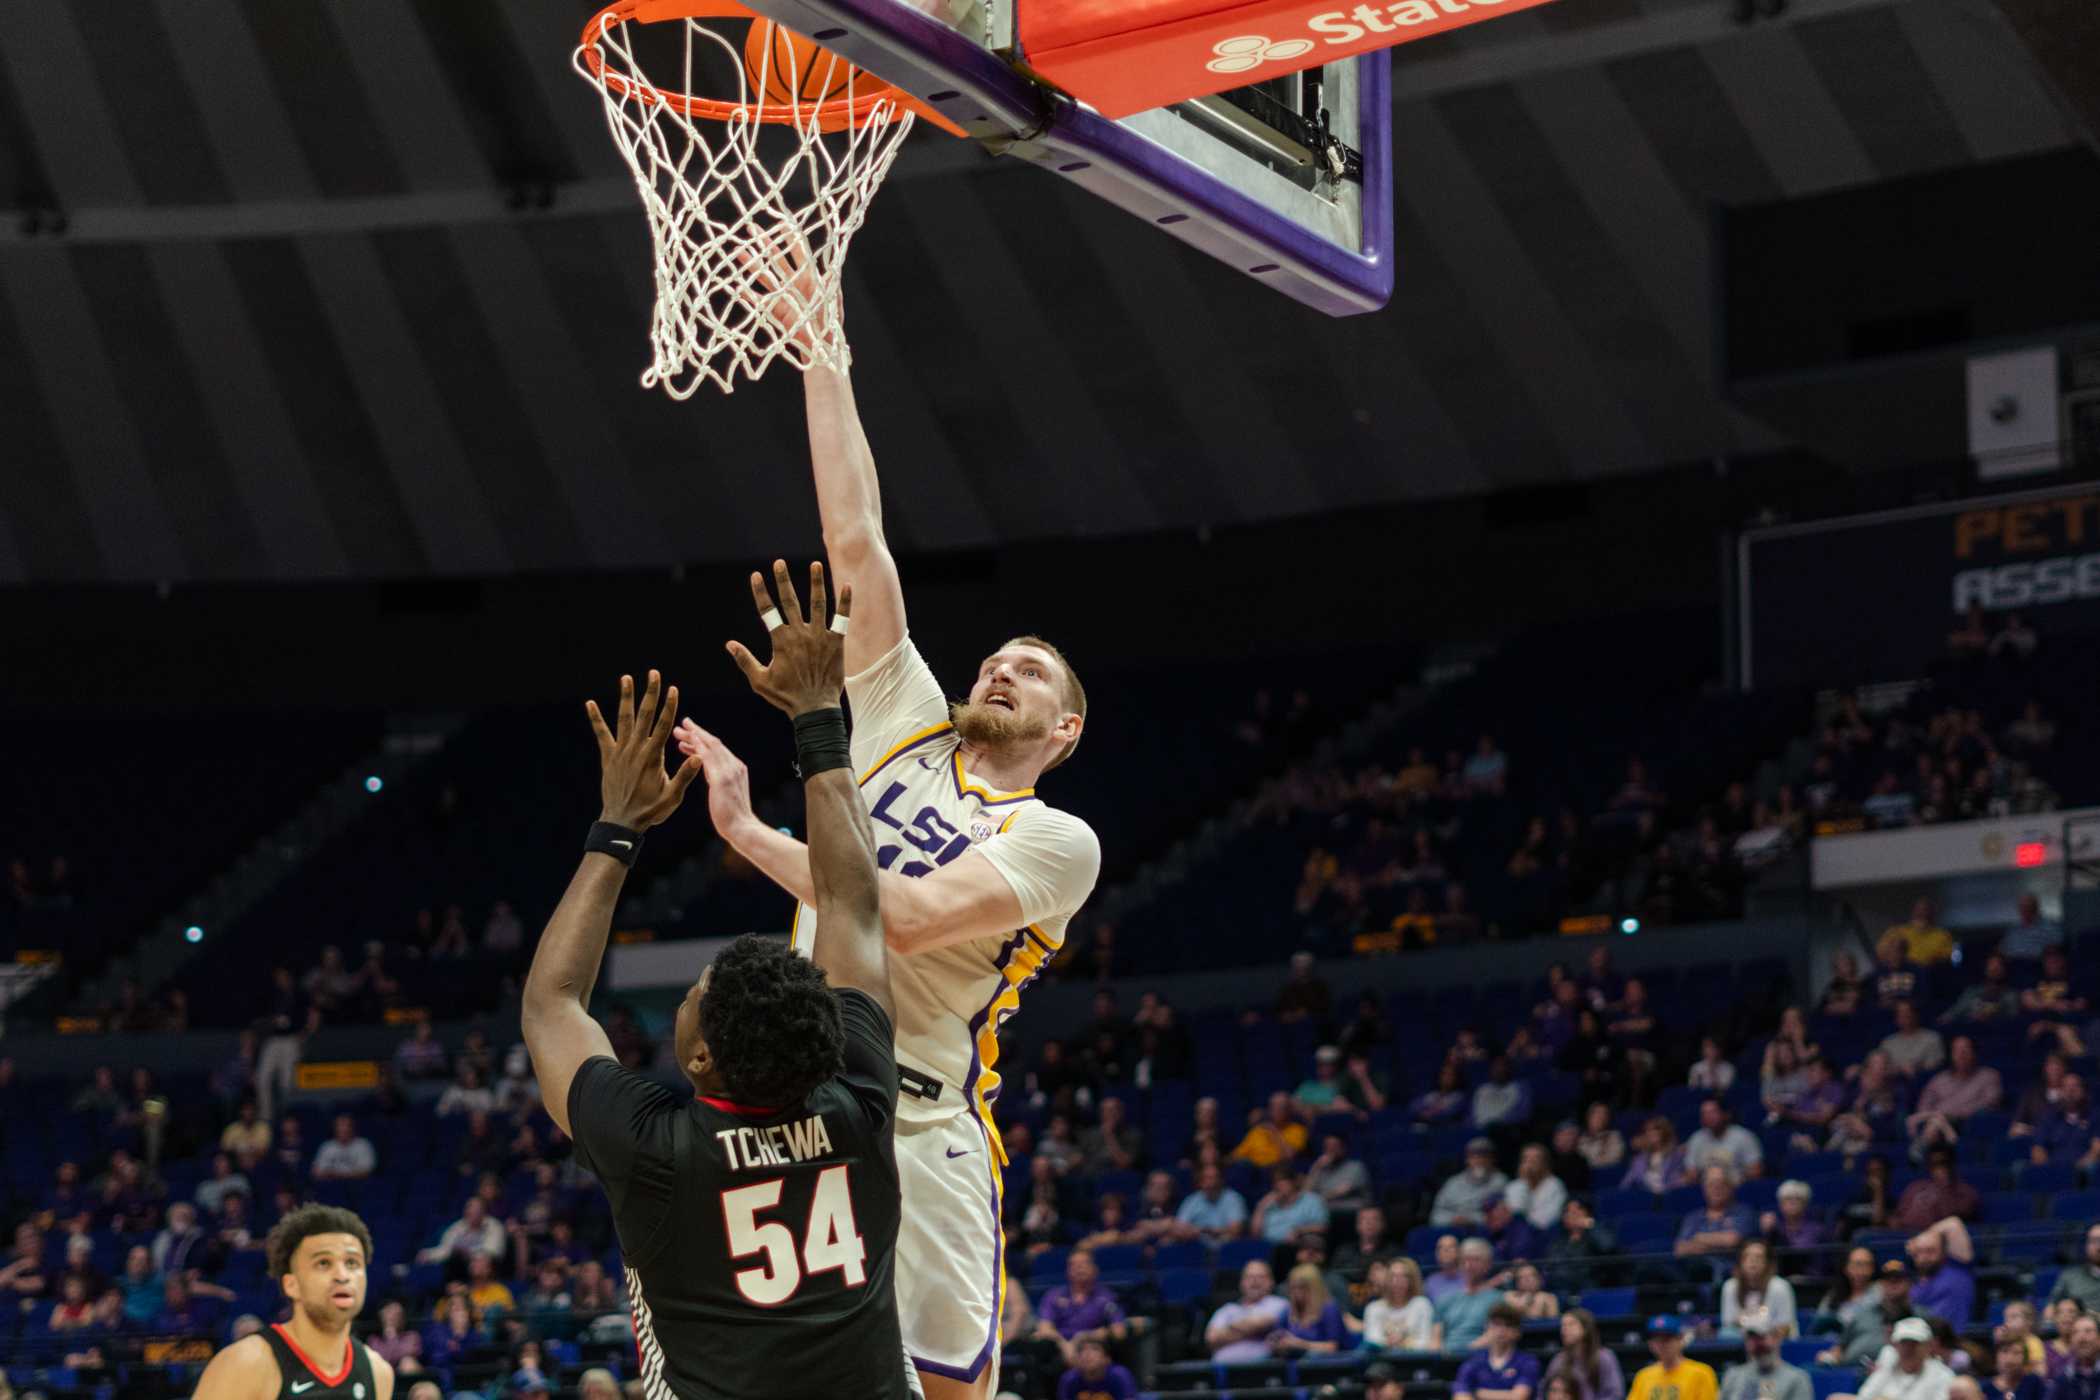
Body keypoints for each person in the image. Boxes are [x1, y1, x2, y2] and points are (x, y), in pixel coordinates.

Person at [682, 311, 1102, 1400]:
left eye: (1035, 671)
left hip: (920, 1117)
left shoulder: (1057, 840)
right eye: (998, 657)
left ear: (1067, 731)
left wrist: (747, 832)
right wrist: (824, 345)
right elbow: (856, 536)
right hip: (800, 1099)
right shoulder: (903, 712)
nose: (1005, 670)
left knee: (949, 1392)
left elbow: (901, 917)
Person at [528, 568, 913, 1399]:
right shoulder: (859, 1098)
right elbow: (851, 898)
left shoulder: (652, 1144)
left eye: (691, 999)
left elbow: (552, 1003)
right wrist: (817, 717)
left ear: (701, 1061)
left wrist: (617, 827)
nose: (685, 1001)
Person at [192, 1204, 395, 1400]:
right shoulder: (247, 1363)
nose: (342, 1276)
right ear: (291, 1284)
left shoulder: (378, 1372)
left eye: (352, 1263)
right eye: (323, 1263)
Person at [1820, 1261, 1914, 1370]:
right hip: (1851, 1371)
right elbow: (1841, 1346)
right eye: (1887, 1280)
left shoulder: (1919, 1315)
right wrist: (1830, 1357)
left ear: (1909, 1283)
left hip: (1895, 1373)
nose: (1892, 1284)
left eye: (1898, 1280)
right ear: (1880, 1284)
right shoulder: (1863, 1314)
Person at [1036, 1250, 1126, 1361]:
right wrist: (1064, 1345)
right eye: (1073, 1265)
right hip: (1059, 1351)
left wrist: (1084, 1337)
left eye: (1084, 1264)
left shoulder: (1107, 1297)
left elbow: (1119, 1332)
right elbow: (1044, 1328)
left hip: (1093, 1349)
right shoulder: (1053, 1295)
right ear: (1067, 1271)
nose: (1079, 1268)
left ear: (1095, 1270)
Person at [1845, 1317, 1954, 1400]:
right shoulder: (1887, 1366)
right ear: (1895, 1345)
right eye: (1904, 1342)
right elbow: (1864, 1397)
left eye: (1915, 1343)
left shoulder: (1942, 1375)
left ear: (1928, 1346)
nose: (1908, 1348)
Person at [1206, 1260, 1289, 1363]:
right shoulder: (1227, 1309)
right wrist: (1249, 1329)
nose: (1255, 1281)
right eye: (1249, 1277)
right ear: (1241, 1282)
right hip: (1221, 1370)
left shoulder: (1279, 1304)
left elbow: (1259, 1324)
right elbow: (1212, 1339)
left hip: (1259, 1370)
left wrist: (1227, 1330)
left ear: (1271, 1282)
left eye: (1261, 1277)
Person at [1722, 1309, 1814, 1400]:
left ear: (1777, 1338)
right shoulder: (1733, 1376)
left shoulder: (1797, 1379)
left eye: (1761, 1337)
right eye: (1752, 1339)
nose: (1758, 1345)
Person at [1454, 1304, 1541, 1400]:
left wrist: (1476, 1392)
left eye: (1508, 1325)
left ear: (1518, 1332)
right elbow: (1460, 1395)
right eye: (1497, 1324)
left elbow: (1518, 1397)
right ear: (1487, 1328)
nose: (1502, 1330)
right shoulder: (1474, 1361)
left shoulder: (1528, 1362)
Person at [1436, 1239, 1506, 1352]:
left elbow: (1494, 1334)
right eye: (1465, 1260)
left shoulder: (1498, 1299)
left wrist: (1463, 1353)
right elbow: (1435, 1336)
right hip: (1444, 1359)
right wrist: (1441, 1356)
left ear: (1488, 1264)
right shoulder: (1445, 1299)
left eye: (1476, 1260)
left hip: (1479, 1358)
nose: (1469, 1265)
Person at [1270, 1263, 1352, 1357]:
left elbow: (1332, 1347)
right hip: (1298, 1364)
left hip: (1328, 1364)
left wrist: (1299, 1344)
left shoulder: (1329, 1309)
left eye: (1301, 1288)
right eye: (1293, 1288)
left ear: (1314, 1287)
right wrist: (1276, 1343)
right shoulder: (1288, 1310)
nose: (1296, 1293)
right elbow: (1278, 1335)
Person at [1721, 1240, 1798, 1339]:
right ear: (1740, 1262)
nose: (1752, 1261)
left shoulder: (1780, 1287)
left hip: (1775, 1346)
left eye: (1758, 1257)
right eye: (1747, 1257)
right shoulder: (1730, 1287)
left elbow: (1785, 1327)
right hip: (1740, 1345)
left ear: (1768, 1263)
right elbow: (1728, 1325)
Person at [1906, 1217, 1976, 1326]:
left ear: (1943, 1253)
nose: (1924, 1257)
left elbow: (1953, 1224)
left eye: (1930, 1251)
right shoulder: (1912, 1285)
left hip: (1953, 1338)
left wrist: (1923, 1237)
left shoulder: (1958, 1271)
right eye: (1919, 1251)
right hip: (1921, 1338)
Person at [1629, 1316, 1718, 1400]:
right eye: (1656, 1340)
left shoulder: (1701, 1373)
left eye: (1667, 1339)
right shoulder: (1643, 1376)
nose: (1661, 1345)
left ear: (1680, 1339)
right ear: (1650, 1343)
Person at [1547, 1308, 1626, 1400]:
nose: (1564, 1330)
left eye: (1571, 1324)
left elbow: (1615, 1394)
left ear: (1585, 1328)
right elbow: (1544, 1392)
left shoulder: (1604, 1357)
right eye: (1563, 1325)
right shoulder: (1559, 1360)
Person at [1364, 1258, 1440, 1352]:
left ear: (1412, 1280)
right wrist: (1388, 1343)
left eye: (1403, 1276)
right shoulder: (1374, 1308)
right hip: (1383, 1361)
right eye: (1393, 1276)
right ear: (1387, 1280)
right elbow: (1372, 1340)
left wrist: (1403, 1344)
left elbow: (1426, 1342)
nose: (1397, 1281)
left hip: (1416, 1360)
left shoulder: (1422, 1304)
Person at [1678, 1166, 1756, 1256]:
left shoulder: (1744, 1211)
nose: (1716, 1188)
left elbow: (1732, 1240)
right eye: (1711, 1184)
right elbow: (1680, 1249)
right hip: (1695, 1266)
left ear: (1731, 1187)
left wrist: (1698, 1238)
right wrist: (1716, 1242)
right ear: (1704, 1189)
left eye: (1721, 1183)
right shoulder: (1693, 1217)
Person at [1894, 1151, 1980, 1232]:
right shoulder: (1915, 1187)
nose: (1939, 1168)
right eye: (1933, 1164)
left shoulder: (1965, 1192)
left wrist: (1945, 1186)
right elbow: (1899, 1214)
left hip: (1936, 1237)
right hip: (1906, 1234)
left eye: (1943, 1163)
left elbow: (1952, 1219)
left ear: (1951, 1165)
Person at [1434, 1141, 1512, 1227]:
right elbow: (1436, 1214)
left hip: (1485, 1232)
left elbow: (1502, 1216)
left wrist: (1471, 1219)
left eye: (1484, 1157)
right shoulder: (1453, 1183)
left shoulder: (1500, 1181)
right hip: (1452, 1229)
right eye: (1474, 1157)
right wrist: (1452, 1219)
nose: (1479, 1161)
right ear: (1467, 1160)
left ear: (1492, 1159)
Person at [1686, 1101, 1763, 1179]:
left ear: (1726, 1114)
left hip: (1738, 1187)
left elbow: (1756, 1170)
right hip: (1706, 1187)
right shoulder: (1696, 1138)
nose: (1708, 1117)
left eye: (1713, 1112)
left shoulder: (1744, 1136)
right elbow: (1691, 1172)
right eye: (1704, 1113)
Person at [1174, 1162, 1248, 1243]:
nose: (1211, 1182)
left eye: (1215, 1178)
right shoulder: (1191, 1200)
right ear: (1200, 1182)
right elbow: (1179, 1227)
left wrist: (1206, 1230)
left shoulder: (1233, 1198)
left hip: (1225, 1245)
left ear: (1221, 1180)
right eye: (1207, 1178)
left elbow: (1236, 1229)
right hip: (1197, 1246)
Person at [1507, 1144, 1569, 1232]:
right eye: (1526, 1159)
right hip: (1517, 1235)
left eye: (1535, 1159)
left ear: (1545, 1163)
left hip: (1545, 1236)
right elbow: (1515, 1213)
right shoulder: (1515, 1186)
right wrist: (1525, 1183)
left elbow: (1547, 1221)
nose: (1530, 1163)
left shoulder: (1555, 1185)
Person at [1307, 1135, 1374, 1214]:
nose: (1330, 1150)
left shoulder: (1356, 1167)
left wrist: (1317, 1200)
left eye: (1334, 1146)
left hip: (1351, 1210)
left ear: (1343, 1148)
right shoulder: (1321, 1169)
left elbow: (1343, 1190)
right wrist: (1316, 1167)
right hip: (1327, 1211)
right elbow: (1307, 1192)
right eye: (1327, 1146)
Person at [1057, 1336, 1137, 1400]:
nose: (1087, 1354)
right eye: (1082, 1350)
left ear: (1107, 1359)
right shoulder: (1069, 1379)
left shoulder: (1120, 1376)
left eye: (1095, 1349)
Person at [2050, 1227, 2100, 1313]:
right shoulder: (2069, 1276)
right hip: (2078, 1324)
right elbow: (2051, 1309)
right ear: (2086, 1246)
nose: (2098, 1247)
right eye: (2093, 1241)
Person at [310, 1116, 376, 1182]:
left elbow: (367, 1171)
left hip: (357, 1184)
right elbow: (316, 1171)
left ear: (352, 1128)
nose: (343, 1129)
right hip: (331, 1185)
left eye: (347, 1126)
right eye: (340, 1126)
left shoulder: (363, 1145)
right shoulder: (327, 1146)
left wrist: (338, 1175)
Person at [2050, 1316, 2100, 1400]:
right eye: (2075, 1332)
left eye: (2088, 1331)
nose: (2081, 1338)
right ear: (2071, 1342)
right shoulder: (2063, 1377)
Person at [1985, 1334, 2044, 1400]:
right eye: (2005, 1351)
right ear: (1996, 1355)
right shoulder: (1985, 1388)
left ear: (2025, 1358)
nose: (2010, 1359)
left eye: (2016, 1353)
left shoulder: (2034, 1382)